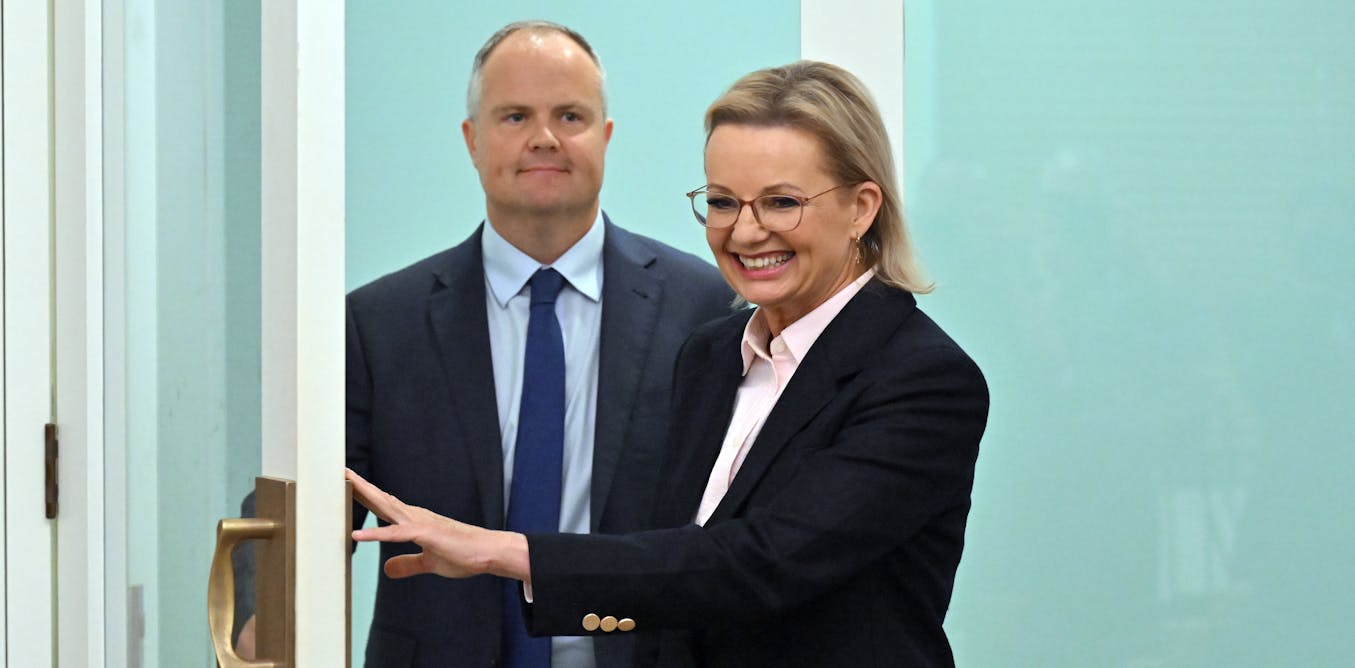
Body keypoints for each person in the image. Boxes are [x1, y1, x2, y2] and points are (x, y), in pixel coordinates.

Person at [345, 60, 991, 667]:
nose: (745, 232)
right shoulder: (713, 354)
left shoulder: (924, 380)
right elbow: (673, 586)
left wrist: (504, 551)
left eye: (781, 202)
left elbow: (759, 564)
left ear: (862, 208)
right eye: (723, 202)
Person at [235, 20, 732, 668]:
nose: (544, 137)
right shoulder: (379, 323)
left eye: (571, 116)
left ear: (606, 137)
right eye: (515, 116)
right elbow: (305, 497)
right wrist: (263, 623)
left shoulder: (706, 310)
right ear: (472, 140)